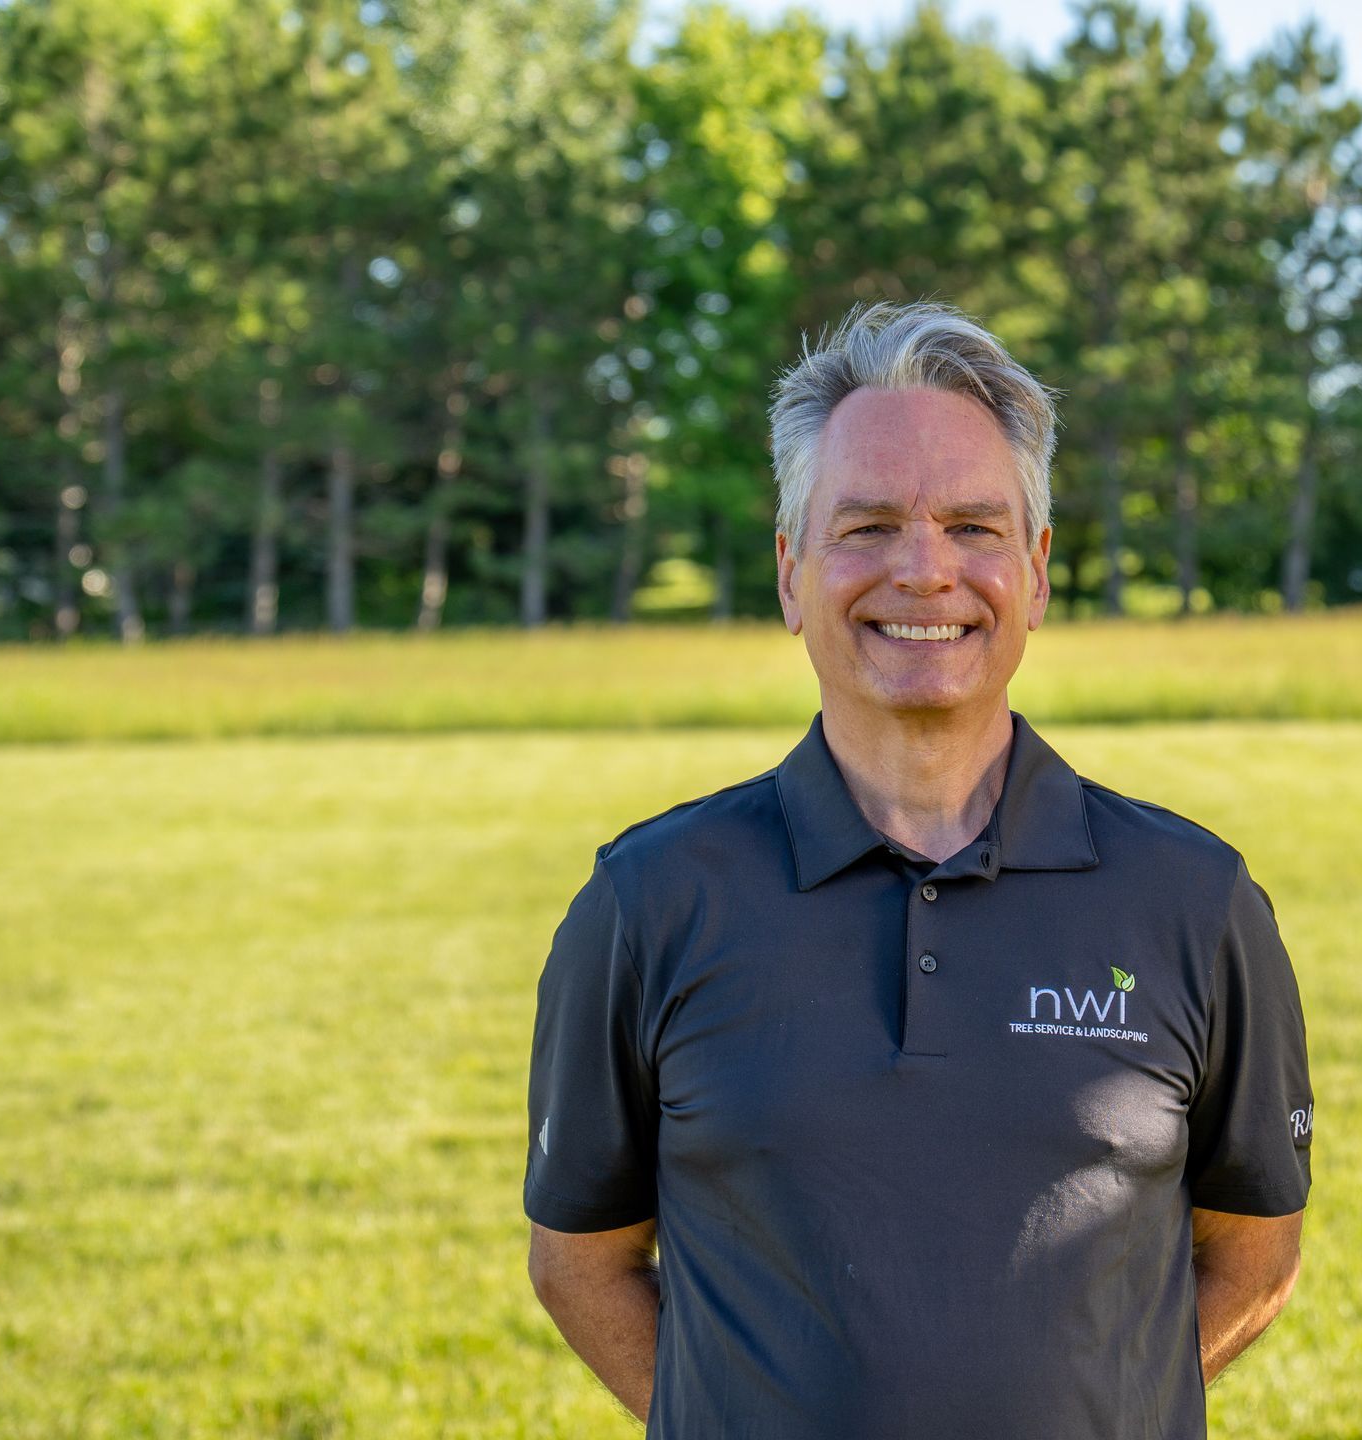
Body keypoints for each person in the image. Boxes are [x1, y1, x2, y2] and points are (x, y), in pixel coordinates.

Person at [524, 300, 1313, 1438]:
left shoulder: (1195, 901)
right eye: (869, 526)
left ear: (1036, 574)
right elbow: (579, 1264)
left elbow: (1256, 1254)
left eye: (976, 528)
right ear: (793, 575)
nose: (925, 572)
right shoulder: (648, 904)